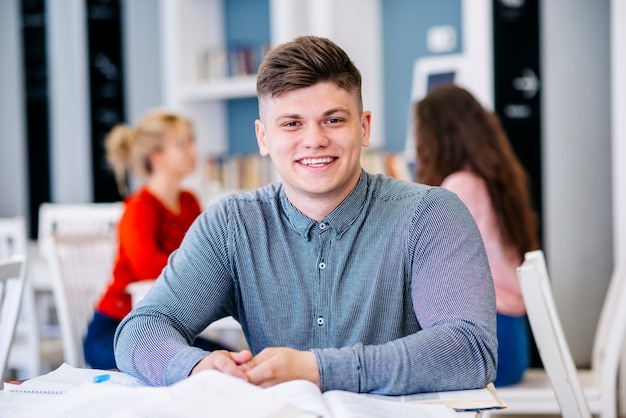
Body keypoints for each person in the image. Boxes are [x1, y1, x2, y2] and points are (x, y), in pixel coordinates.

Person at [114, 35, 497, 395]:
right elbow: (141, 329)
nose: (314, 139)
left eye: (333, 119)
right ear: (263, 137)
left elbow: (470, 348)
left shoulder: (431, 215)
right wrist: (196, 368)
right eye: (292, 123)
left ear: (363, 128)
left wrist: (319, 370)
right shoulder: (231, 226)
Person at [413, 83, 540, 386]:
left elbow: (428, 261)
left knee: (396, 370)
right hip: (509, 338)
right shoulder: (491, 181)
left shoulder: (460, 187)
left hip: (489, 345)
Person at [83, 109, 230, 370]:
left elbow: (207, 254)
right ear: (157, 158)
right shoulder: (139, 207)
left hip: (168, 328)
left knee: (233, 359)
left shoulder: (189, 201)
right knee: (213, 365)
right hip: (117, 330)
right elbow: (149, 269)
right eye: (182, 145)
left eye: (192, 142)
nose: (194, 151)